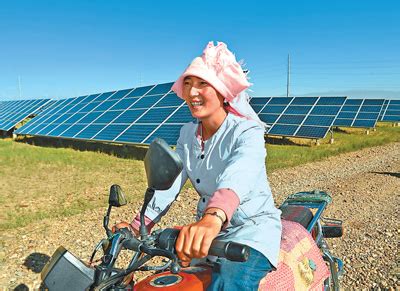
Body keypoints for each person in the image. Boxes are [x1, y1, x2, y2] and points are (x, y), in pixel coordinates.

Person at [115, 41, 282, 290]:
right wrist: (139, 225)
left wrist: (213, 217)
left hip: (250, 232)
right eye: (188, 84)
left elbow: (240, 173)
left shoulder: (247, 131)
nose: (192, 93)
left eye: (202, 83)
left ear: (222, 90)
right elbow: (171, 180)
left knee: (229, 282)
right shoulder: (187, 134)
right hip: (207, 232)